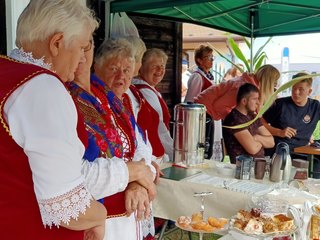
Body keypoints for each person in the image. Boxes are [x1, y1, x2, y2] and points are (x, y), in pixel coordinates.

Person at [0, 1, 107, 239]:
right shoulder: (43, 88)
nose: (82, 59)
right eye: (82, 47)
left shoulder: (6, 73)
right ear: (57, 43)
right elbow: (69, 210)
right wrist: (100, 215)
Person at [89, 37, 157, 240]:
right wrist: (134, 175)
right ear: (96, 67)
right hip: (103, 218)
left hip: (127, 214)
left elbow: (142, 149)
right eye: (113, 69)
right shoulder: (87, 102)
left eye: (127, 70)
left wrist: (136, 183)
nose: (121, 76)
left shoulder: (121, 105)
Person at [262, 72, 320, 177]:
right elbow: (260, 121)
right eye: (293, 88)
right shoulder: (280, 104)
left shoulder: (315, 107)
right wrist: (279, 132)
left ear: (309, 91)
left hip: (304, 151)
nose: (296, 92)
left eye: (301, 89)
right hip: (282, 152)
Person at [195, 64, 280, 120]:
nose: (275, 86)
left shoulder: (249, 84)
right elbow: (220, 107)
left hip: (205, 111)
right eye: (275, 82)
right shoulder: (242, 87)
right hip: (204, 112)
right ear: (268, 82)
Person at [132, 48, 174, 160]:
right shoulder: (145, 91)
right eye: (155, 66)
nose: (160, 70)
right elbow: (160, 129)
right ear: (141, 67)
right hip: (154, 155)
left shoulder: (148, 89)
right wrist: (175, 153)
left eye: (163, 66)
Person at [223, 83, 274, 164]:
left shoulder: (253, 116)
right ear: (244, 101)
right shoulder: (234, 119)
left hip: (259, 165)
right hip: (243, 168)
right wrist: (262, 141)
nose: (258, 102)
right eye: (255, 99)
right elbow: (252, 149)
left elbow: (271, 142)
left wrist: (257, 138)